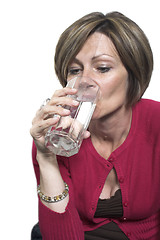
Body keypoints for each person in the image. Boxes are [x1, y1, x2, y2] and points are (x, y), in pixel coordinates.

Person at [30, 11, 160, 239]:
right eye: (75, 70)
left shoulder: (156, 122)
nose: (86, 81)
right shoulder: (57, 134)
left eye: (102, 68)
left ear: (134, 74)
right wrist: (46, 158)